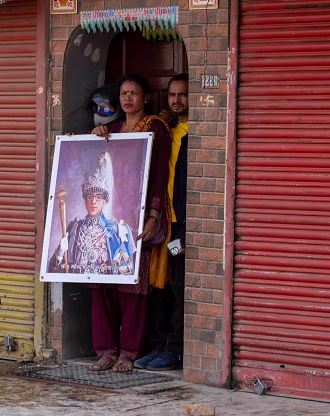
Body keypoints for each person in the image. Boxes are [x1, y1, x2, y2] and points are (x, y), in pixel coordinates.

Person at [88, 73, 173, 373]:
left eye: (134, 93)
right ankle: (106, 350)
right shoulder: (110, 129)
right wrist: (93, 137)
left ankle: (129, 351)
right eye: (123, 93)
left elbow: (160, 174)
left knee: (132, 285)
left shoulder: (155, 128)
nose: (127, 98)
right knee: (101, 282)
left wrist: (153, 215)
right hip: (107, 217)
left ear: (145, 98)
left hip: (136, 216)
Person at [133, 73, 189, 371]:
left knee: (179, 286)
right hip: (162, 222)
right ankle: (159, 344)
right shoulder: (166, 129)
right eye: (172, 94)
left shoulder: (199, 132)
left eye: (183, 94)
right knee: (158, 285)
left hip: (183, 224)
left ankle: (176, 349)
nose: (176, 100)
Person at [49, 151, 136, 275]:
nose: (93, 201)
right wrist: (59, 253)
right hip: (77, 284)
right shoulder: (74, 229)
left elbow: (124, 274)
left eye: (98, 197)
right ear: (85, 200)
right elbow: (55, 272)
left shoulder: (116, 231)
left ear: (105, 201)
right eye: (90, 196)